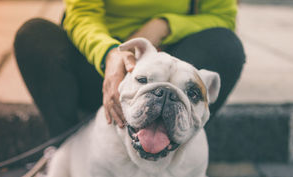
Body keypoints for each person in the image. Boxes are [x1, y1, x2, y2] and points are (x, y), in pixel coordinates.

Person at [14, 0, 245, 137]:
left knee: (226, 48)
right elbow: (81, 16)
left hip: (171, 61)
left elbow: (221, 17)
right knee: (33, 37)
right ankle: (64, 153)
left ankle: (182, 157)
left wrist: (163, 26)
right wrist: (110, 53)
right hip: (99, 67)